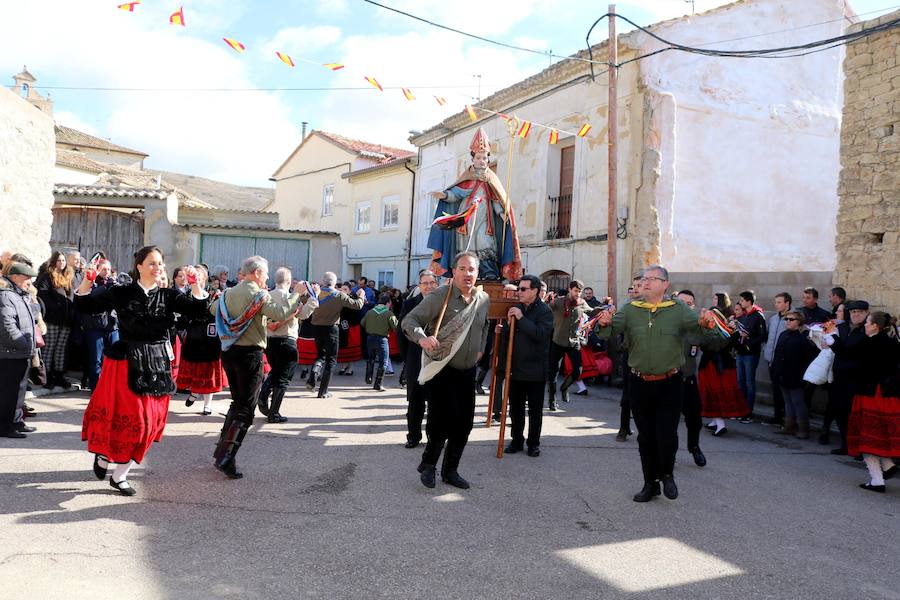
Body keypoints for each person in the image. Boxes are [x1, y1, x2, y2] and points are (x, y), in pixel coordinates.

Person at [75, 246, 209, 496]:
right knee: (127, 418)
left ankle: (119, 474)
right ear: (139, 266)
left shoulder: (169, 296)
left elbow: (200, 310)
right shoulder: (121, 292)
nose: (157, 267)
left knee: (148, 425)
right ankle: (104, 455)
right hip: (126, 362)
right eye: (151, 263)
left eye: (160, 263)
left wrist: (195, 285)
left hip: (157, 364)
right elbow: (85, 305)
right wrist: (87, 280)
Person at [596, 265, 717, 502]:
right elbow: (610, 331)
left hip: (670, 382)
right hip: (639, 382)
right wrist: (605, 323)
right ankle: (650, 484)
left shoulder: (679, 309)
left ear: (665, 285)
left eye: (653, 279)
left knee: (667, 434)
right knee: (645, 437)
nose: (647, 282)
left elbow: (701, 332)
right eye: (644, 279)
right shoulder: (630, 309)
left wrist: (706, 323)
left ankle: (667, 474)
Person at [210, 256, 310, 479]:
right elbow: (281, 313)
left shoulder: (228, 293)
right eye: (264, 273)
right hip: (250, 355)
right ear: (256, 272)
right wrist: (297, 294)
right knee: (246, 408)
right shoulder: (258, 294)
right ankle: (226, 457)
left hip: (229, 351)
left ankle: (222, 451)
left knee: (237, 402)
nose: (266, 277)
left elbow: (212, 309)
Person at [402, 252, 490, 489]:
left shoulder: (483, 299)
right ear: (453, 272)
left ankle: (450, 471)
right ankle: (429, 465)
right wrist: (422, 338)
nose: (467, 273)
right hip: (442, 369)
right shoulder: (441, 295)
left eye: (471, 269)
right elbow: (410, 321)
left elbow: (484, 327)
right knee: (440, 423)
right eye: (462, 268)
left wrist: (480, 350)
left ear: (477, 273)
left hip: (467, 372)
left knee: (464, 425)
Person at [426, 127, 522, 281]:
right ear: (472, 159)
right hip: (467, 219)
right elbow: (457, 194)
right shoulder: (467, 178)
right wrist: (444, 195)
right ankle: (465, 273)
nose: (481, 161)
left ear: (488, 160)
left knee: (485, 240)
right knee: (468, 246)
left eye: (484, 158)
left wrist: (502, 213)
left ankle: (488, 271)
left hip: (485, 219)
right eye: (478, 158)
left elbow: (496, 199)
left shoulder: (491, 179)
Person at [827, 312, 899, 493]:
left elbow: (846, 354)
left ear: (875, 326)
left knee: (866, 437)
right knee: (880, 434)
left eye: (867, 322)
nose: (865, 325)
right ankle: (888, 465)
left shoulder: (868, 343)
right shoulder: (892, 343)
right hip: (889, 395)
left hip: (870, 394)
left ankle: (876, 480)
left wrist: (831, 336)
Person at [500, 274, 553, 457]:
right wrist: (507, 325)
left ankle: (533, 443)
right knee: (515, 409)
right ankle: (516, 440)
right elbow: (507, 338)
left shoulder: (545, 311)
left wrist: (521, 319)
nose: (519, 292)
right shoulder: (516, 308)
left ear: (535, 291)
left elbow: (540, 334)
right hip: (515, 369)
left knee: (535, 411)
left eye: (523, 289)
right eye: (519, 288)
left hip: (536, 370)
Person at [258, 268, 319, 423]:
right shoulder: (292, 297)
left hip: (269, 340)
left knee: (277, 371)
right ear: (289, 281)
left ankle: (265, 393)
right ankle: (273, 412)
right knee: (283, 378)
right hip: (287, 340)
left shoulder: (267, 295)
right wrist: (314, 298)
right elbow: (303, 314)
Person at [307, 272, 366, 398]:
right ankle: (323, 391)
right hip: (331, 329)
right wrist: (361, 295)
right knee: (331, 360)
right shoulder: (339, 295)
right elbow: (357, 305)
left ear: (323, 282)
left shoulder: (315, 293)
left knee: (320, 355)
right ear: (334, 283)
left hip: (316, 328)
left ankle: (313, 377)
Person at [178, 266, 227, 416]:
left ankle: (207, 405)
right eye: (194, 275)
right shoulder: (187, 294)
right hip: (194, 336)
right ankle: (194, 392)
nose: (196, 278)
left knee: (209, 372)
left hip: (210, 338)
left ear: (204, 278)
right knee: (195, 370)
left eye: (199, 275)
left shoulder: (215, 294)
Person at [822, 300, 869, 454]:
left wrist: (834, 343)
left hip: (856, 379)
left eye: (859, 312)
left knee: (855, 415)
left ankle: (860, 450)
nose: (856, 315)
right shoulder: (841, 328)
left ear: (866, 313)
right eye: (853, 312)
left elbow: (848, 352)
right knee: (839, 411)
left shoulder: (865, 332)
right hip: (838, 377)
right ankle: (846, 445)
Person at [547, 280, 601, 408]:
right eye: (576, 291)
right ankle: (552, 401)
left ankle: (564, 388)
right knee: (553, 373)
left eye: (580, 291)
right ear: (570, 289)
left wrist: (605, 307)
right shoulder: (559, 302)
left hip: (573, 342)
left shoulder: (582, 303)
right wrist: (545, 300)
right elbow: (546, 309)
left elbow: (592, 311)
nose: (578, 294)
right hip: (558, 341)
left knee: (578, 371)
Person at [0, 261, 39, 438]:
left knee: (18, 392)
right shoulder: (6, 296)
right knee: (8, 393)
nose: (29, 281)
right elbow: (7, 326)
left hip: (20, 352)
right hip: (10, 353)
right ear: (15, 277)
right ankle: (5, 426)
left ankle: (15, 421)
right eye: (26, 278)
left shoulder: (20, 295)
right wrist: (23, 342)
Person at [400, 270, 439, 448]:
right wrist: (406, 358)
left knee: (436, 403)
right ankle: (413, 437)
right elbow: (401, 332)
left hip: (437, 359)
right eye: (426, 283)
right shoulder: (409, 304)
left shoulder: (443, 304)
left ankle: (434, 438)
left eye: (432, 283)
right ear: (420, 285)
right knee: (415, 402)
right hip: (415, 358)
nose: (429, 286)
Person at [698, 298, 746, 437]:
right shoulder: (724, 331)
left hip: (716, 367)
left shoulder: (720, 333)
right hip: (716, 365)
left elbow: (712, 346)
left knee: (715, 394)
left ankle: (720, 424)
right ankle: (715, 421)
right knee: (711, 392)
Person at [771, 310, 819, 439]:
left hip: (796, 375)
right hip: (782, 374)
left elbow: (808, 358)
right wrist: (776, 371)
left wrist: (803, 376)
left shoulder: (804, 337)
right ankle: (789, 427)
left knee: (798, 402)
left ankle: (804, 429)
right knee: (787, 402)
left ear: (799, 322)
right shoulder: (783, 334)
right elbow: (777, 354)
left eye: (791, 319)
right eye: (786, 319)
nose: (787, 322)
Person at [674, 290, 707, 467]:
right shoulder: (664, 322)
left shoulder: (697, 325)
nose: (685, 306)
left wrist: (715, 327)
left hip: (688, 379)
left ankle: (694, 447)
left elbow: (713, 342)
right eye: (681, 302)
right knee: (669, 421)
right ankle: (669, 453)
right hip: (668, 381)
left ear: (693, 306)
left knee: (695, 419)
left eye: (689, 304)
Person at [35, 250, 74, 389]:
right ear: (54, 261)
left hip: (66, 320)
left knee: (60, 349)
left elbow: (71, 296)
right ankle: (46, 376)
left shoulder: (68, 276)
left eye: (63, 260)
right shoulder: (47, 276)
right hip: (52, 319)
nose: (62, 263)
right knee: (49, 348)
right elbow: (42, 295)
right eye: (59, 260)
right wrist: (56, 306)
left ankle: (59, 375)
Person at [81, 260, 120, 390]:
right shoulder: (91, 282)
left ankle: (112, 387)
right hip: (95, 326)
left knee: (114, 359)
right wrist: (105, 288)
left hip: (112, 326)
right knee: (96, 359)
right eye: (104, 269)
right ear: (98, 269)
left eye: (108, 270)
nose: (107, 272)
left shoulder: (113, 284)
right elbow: (90, 298)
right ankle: (96, 388)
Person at [615, 275, 645, 440]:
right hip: (631, 354)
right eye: (633, 285)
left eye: (639, 285)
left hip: (648, 354)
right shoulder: (628, 305)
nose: (635, 288)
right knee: (628, 392)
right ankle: (623, 428)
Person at [735, 290, 766, 422]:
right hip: (740, 353)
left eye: (742, 300)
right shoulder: (745, 315)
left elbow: (763, 336)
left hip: (751, 354)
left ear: (749, 301)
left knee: (749, 383)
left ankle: (748, 413)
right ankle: (741, 410)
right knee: (741, 383)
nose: (740, 302)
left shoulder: (758, 315)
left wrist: (748, 341)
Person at [762, 292, 792, 426]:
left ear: (787, 303)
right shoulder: (773, 319)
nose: (776, 304)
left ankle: (788, 419)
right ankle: (777, 417)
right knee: (775, 390)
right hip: (772, 360)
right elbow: (769, 337)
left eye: (779, 302)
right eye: (776, 302)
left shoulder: (792, 319)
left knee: (785, 392)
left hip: (785, 362)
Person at [361, 292, 399, 392]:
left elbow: (362, 323)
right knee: (383, 362)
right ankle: (378, 384)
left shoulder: (370, 312)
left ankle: (368, 377)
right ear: (387, 303)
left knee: (371, 358)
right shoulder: (389, 313)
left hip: (370, 338)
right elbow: (395, 327)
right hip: (382, 339)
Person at [336, 283, 363, 376]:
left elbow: (356, 309)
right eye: (342, 289)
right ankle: (343, 366)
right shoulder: (338, 298)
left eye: (345, 289)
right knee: (343, 346)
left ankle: (350, 368)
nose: (343, 291)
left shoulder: (353, 298)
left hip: (352, 326)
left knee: (351, 347)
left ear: (350, 291)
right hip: (342, 326)